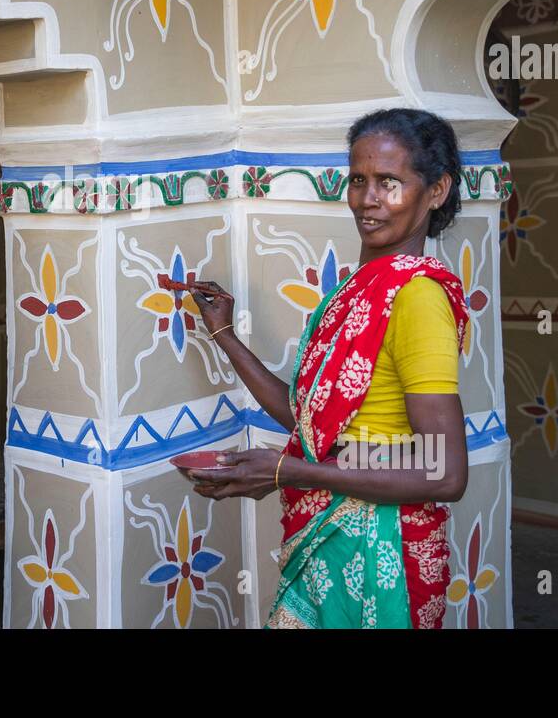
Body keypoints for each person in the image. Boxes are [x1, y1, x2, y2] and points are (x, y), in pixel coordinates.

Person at [187, 108, 471, 629]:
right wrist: (224, 335)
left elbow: (445, 472)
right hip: (330, 547)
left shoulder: (417, 298)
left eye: (390, 182)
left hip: (380, 551)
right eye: (358, 180)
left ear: (436, 191)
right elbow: (308, 420)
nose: (368, 199)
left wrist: (285, 470)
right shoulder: (355, 288)